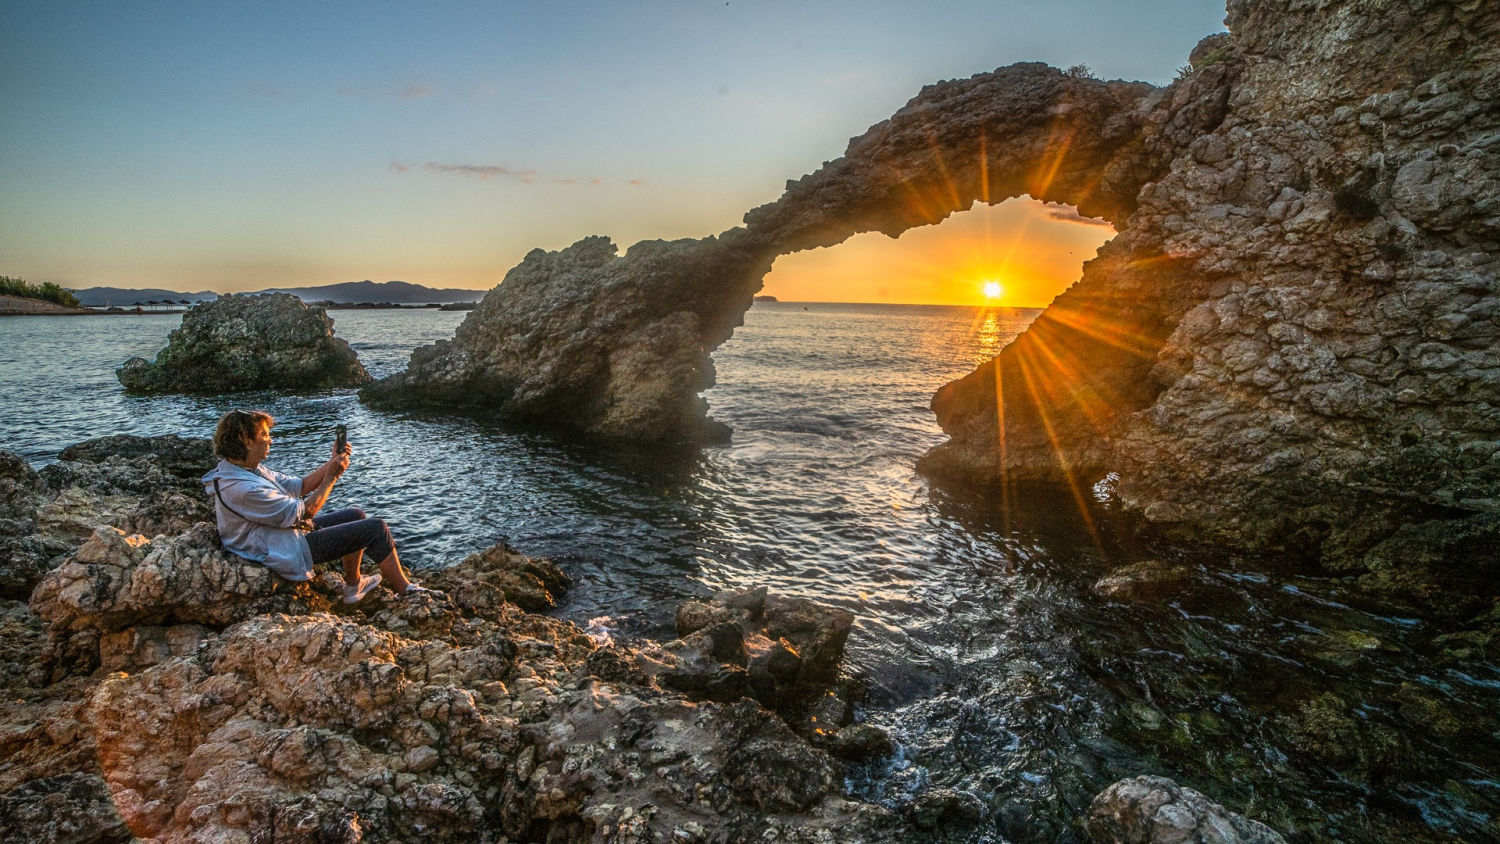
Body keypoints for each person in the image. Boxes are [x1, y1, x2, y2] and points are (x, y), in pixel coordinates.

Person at [201, 409, 425, 603]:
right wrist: (331, 478)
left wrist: (332, 463)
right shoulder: (242, 488)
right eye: (264, 435)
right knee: (375, 528)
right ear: (246, 440)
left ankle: (353, 585)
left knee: (356, 515)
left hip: (278, 534)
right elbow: (306, 511)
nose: (271, 440)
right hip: (275, 549)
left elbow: (301, 486)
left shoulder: (247, 469)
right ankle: (406, 590)